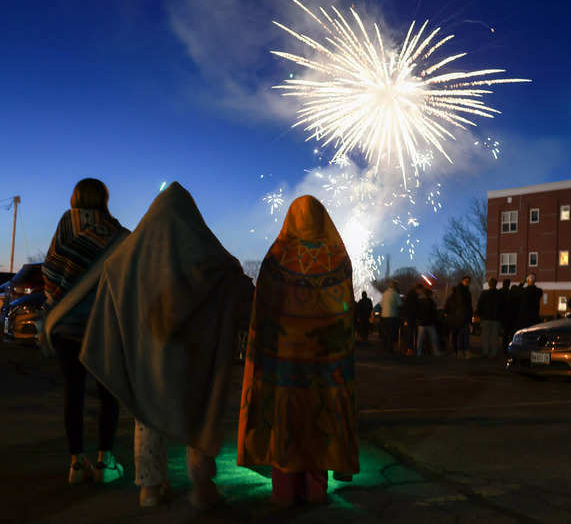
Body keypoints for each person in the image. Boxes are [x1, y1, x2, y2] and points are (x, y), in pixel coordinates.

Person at [80, 183, 254, 508]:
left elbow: (112, 278)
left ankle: (150, 488)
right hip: (195, 355)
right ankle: (201, 485)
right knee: (198, 413)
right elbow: (237, 282)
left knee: (147, 416)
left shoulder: (129, 259)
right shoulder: (208, 255)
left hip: (147, 356)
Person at [237, 195, 359, 507]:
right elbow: (345, 313)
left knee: (285, 420)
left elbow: (262, 312)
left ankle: (285, 491)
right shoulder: (338, 258)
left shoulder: (278, 256)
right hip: (324, 361)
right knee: (319, 420)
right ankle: (316, 490)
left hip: (283, 359)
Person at [41, 178, 129, 485]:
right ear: (105, 198)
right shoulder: (116, 232)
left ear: (75, 197)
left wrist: (59, 298)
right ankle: (106, 462)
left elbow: (51, 268)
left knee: (73, 395)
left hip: (66, 324)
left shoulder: (67, 224)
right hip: (104, 325)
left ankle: (76, 465)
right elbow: (125, 275)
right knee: (108, 395)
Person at [445, 275, 473, 358]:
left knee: (459, 334)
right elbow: (465, 305)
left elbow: (448, 306)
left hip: (458, 316)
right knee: (463, 333)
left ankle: (459, 351)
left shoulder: (457, 293)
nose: (467, 283)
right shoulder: (463, 292)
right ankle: (463, 351)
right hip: (462, 316)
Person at [475, 278, 503, 358]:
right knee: (495, 337)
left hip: (486, 318)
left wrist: (478, 314)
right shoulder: (499, 294)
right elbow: (502, 307)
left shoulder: (484, 293)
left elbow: (480, 305)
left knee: (485, 337)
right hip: (496, 318)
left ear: (489, 284)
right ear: (496, 284)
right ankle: (494, 353)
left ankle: (485, 352)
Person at [415, 286, 442, 356]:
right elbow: (434, 312)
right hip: (430, 322)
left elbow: (417, 311)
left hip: (421, 322)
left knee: (420, 339)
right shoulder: (431, 302)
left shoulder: (419, 301)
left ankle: (419, 352)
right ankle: (436, 351)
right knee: (434, 338)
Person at [380, 280, 402, 354]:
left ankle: (384, 347)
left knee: (385, 332)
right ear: (395, 286)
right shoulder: (395, 294)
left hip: (384, 316)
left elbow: (381, 304)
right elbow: (400, 304)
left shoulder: (385, 293)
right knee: (391, 333)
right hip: (392, 316)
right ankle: (390, 348)